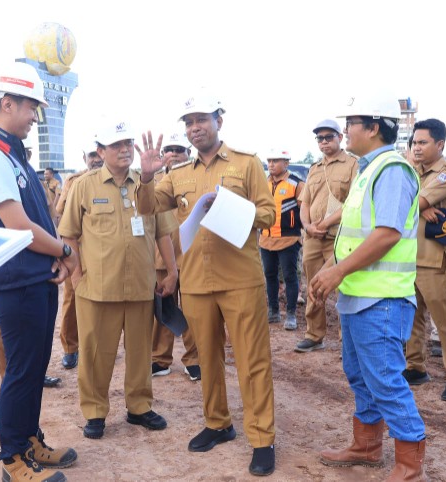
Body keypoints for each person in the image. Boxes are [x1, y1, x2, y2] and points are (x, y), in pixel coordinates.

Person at [136, 92, 277, 476]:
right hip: (197, 281)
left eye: (201, 119)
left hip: (241, 280)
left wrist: (232, 209)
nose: (194, 127)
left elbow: (268, 213)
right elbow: (147, 207)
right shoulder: (176, 175)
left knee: (252, 361)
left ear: (218, 121)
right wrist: (147, 176)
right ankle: (218, 424)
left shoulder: (247, 165)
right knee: (206, 360)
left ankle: (262, 439)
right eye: (188, 122)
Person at [0, 61, 79, 481]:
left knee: (33, 366)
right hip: (15, 282)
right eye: (31, 107)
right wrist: (64, 249)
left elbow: (37, 218)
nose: (35, 116)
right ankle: (12, 460)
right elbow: (18, 226)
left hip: (34, 278)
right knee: (21, 370)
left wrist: (53, 254)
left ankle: (30, 439)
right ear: (7, 103)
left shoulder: (13, 154)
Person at [309, 95, 426, 479]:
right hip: (360, 297)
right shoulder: (368, 169)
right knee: (360, 375)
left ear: (374, 127)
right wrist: (329, 270)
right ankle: (367, 445)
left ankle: (409, 465)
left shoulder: (391, 169)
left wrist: (338, 271)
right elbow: (352, 236)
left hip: (383, 300)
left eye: (351, 123)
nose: (345, 131)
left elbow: (388, 234)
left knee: (386, 380)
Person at [60, 120, 178, 440]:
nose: (125, 149)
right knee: (96, 353)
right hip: (97, 287)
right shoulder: (84, 185)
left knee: (141, 351)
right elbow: (69, 233)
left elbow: (164, 231)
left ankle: (139, 407)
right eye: (116, 145)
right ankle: (95, 411)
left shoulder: (147, 182)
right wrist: (77, 275)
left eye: (127, 143)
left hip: (141, 284)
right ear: (100, 151)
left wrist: (171, 270)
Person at [402, 118, 446, 402]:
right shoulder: (411, 170)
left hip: (433, 258)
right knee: (412, 317)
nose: (416, 148)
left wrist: (418, 205)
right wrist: (419, 205)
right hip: (407, 257)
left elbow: (407, 203)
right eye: (414, 142)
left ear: (439, 145)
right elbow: (399, 200)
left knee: (443, 320)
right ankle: (415, 367)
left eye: (423, 142)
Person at [296, 119, 359, 353]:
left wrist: (325, 223)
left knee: (343, 286)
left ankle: (347, 339)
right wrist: (307, 225)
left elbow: (353, 203)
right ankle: (314, 334)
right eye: (320, 138)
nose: (324, 142)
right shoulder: (313, 168)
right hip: (313, 237)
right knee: (313, 285)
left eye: (328, 137)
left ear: (340, 138)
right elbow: (305, 202)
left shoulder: (353, 165)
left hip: (338, 236)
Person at [150, 131, 200, 381]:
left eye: (179, 149)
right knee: (163, 308)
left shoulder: (195, 176)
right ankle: (160, 359)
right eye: (169, 149)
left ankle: (194, 359)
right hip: (161, 256)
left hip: (190, 254)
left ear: (188, 153)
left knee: (191, 308)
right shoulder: (152, 181)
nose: (173, 154)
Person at [54, 144, 104, 370]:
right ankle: (71, 348)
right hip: (78, 251)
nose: (96, 159)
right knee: (73, 299)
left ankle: (99, 345)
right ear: (84, 157)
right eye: (92, 155)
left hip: (104, 252)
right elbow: (61, 211)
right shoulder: (74, 182)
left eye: (98, 154)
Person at [259, 149, 303, 331]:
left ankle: (291, 314)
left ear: (286, 163)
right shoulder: (263, 183)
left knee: (290, 276)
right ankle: (273, 310)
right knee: (270, 276)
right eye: (269, 161)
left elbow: (304, 208)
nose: (271, 165)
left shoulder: (296, 184)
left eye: (275, 161)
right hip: (266, 239)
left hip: (288, 239)